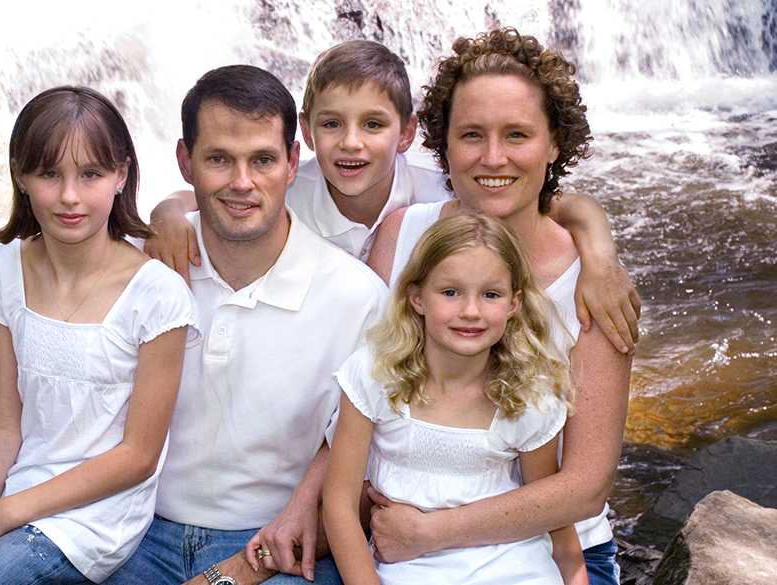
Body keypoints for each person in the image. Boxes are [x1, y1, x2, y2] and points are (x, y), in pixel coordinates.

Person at [145, 39, 640, 354]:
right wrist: (167, 211)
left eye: (373, 125)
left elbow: (558, 202)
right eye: (332, 124)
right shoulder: (291, 186)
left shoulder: (440, 188)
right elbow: (217, 193)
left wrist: (599, 256)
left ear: (406, 134)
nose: (352, 142)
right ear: (307, 136)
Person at [0, 86, 197, 585]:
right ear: (21, 174)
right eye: (50, 173)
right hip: (18, 497)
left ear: (121, 174)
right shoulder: (4, 269)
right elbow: (3, 424)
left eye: (90, 174)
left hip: (94, 522)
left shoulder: (157, 295)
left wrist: (1, 516)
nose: (70, 196)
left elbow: (137, 458)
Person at [365, 28, 632, 585]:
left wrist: (432, 531)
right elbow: (359, 397)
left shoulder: (592, 286)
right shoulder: (400, 237)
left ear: (554, 144)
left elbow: (585, 485)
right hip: (399, 551)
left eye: (517, 135)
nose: (493, 158)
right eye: (471, 135)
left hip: (548, 552)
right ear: (443, 145)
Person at [103, 65, 386, 585]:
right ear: (185, 163)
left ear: (292, 162)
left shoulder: (356, 296)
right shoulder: (137, 267)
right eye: (218, 159)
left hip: (276, 546)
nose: (242, 183)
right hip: (130, 529)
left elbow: (363, 446)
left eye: (262, 160)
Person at [324, 213, 588, 585]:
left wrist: (575, 575)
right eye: (450, 292)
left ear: (513, 305)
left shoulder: (528, 394)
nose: (470, 311)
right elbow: (339, 504)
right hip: (409, 567)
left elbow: (552, 516)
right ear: (416, 297)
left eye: (490, 295)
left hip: (514, 567)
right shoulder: (375, 375)